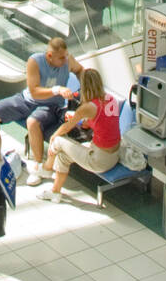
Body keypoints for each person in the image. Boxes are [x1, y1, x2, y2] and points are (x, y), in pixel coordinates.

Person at [0, 36, 84, 187]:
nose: (65, 60)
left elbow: (80, 70)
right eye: (61, 58)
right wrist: (57, 89)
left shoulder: (68, 60)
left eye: (66, 56)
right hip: (26, 100)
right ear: (49, 56)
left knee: (32, 122)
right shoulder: (35, 61)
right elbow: (34, 91)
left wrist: (85, 89)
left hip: (50, 106)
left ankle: (38, 167)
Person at [38, 67, 121, 203]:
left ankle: (46, 168)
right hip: (114, 155)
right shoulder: (111, 99)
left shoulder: (88, 107)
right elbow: (101, 122)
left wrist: (53, 136)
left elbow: (66, 127)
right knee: (63, 156)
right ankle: (55, 192)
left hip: (99, 160)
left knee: (58, 140)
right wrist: (83, 120)